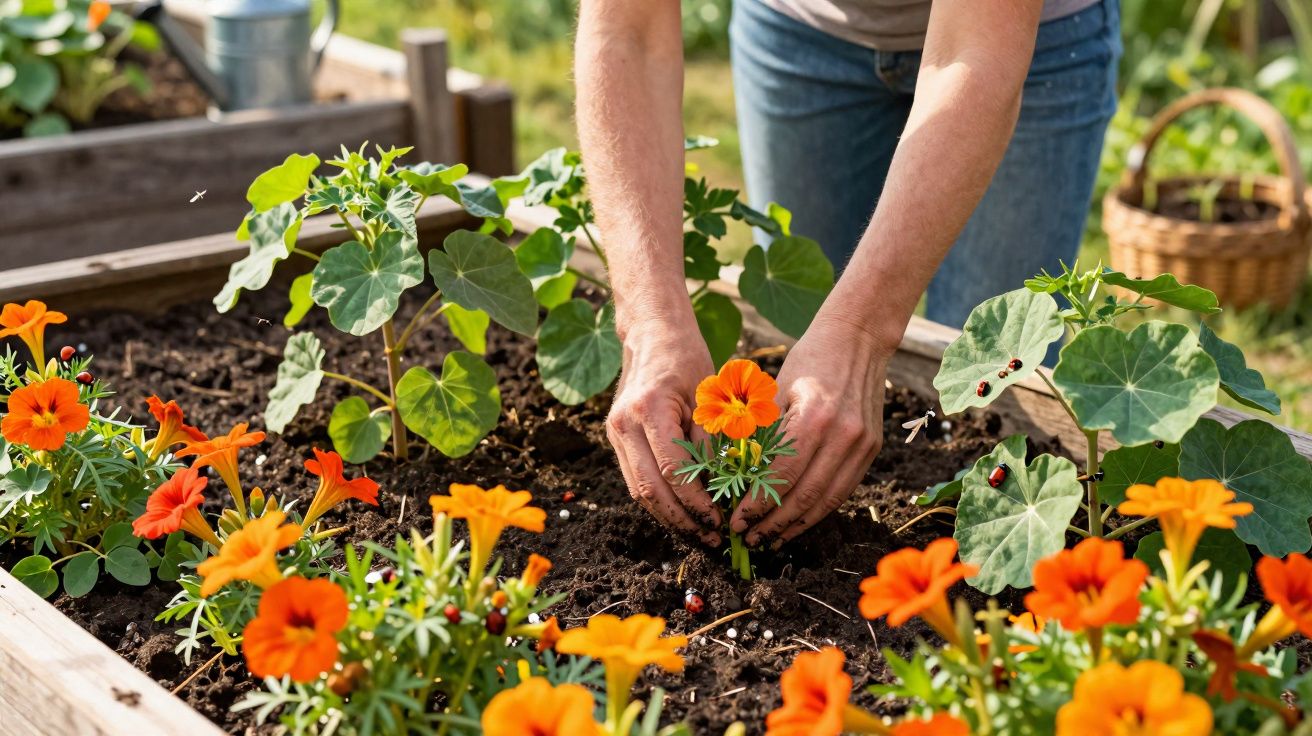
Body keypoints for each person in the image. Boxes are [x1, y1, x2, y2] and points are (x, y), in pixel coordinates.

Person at [573, 0, 1121, 549]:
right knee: (811, 389)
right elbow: (628, 31)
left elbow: (974, 47)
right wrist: (650, 322)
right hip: (801, 28)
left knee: (991, 392)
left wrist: (862, 333)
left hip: (1021, 42)